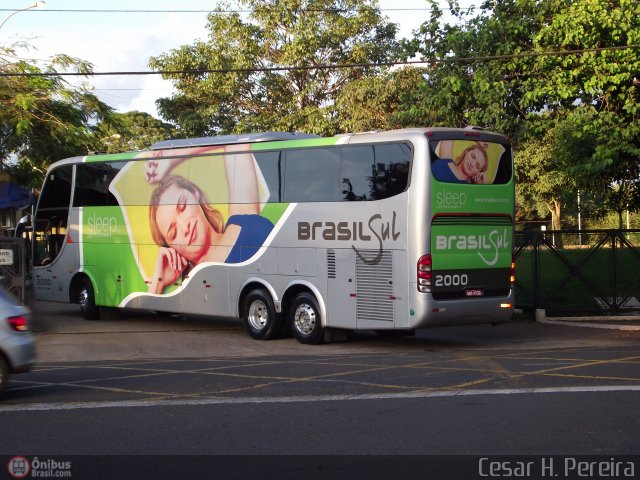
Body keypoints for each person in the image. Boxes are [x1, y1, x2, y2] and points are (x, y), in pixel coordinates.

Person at [146, 149, 274, 294]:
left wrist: (171, 156)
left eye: (183, 206)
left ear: (195, 193)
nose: (185, 228)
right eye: (174, 233)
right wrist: (159, 281)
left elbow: (237, 144)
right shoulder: (191, 289)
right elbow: (147, 314)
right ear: (171, 247)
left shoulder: (242, 215)